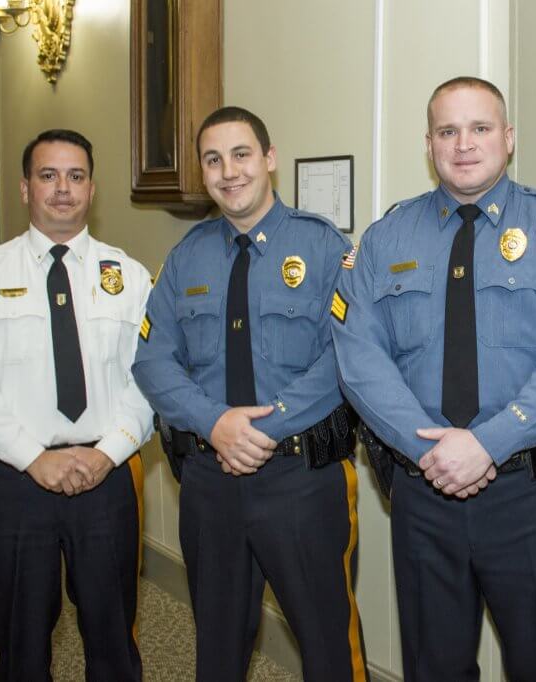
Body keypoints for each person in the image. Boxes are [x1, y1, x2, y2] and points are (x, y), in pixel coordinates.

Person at [331, 76, 536, 681]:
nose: (464, 144)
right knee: (433, 667)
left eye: (480, 128)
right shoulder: (385, 240)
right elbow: (359, 356)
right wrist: (426, 447)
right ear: (428, 143)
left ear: (508, 139)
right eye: (447, 131)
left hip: (529, 493)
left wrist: (488, 442)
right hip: (422, 490)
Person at [131, 106, 367, 681]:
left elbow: (347, 355)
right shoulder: (185, 258)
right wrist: (214, 423)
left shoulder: (323, 248)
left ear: (269, 160)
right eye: (213, 159)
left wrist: (267, 425)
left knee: (326, 643)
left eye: (241, 154)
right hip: (211, 484)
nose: (228, 171)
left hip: (301, 481)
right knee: (217, 644)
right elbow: (153, 360)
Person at [0, 129, 153, 681]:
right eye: (48, 176)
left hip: (106, 477)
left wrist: (108, 453)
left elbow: (151, 377)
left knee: (114, 637)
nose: (63, 189)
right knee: (18, 642)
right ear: (24, 188)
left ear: (93, 189)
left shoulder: (128, 278)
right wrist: (34, 457)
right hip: (14, 481)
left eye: (76, 176)